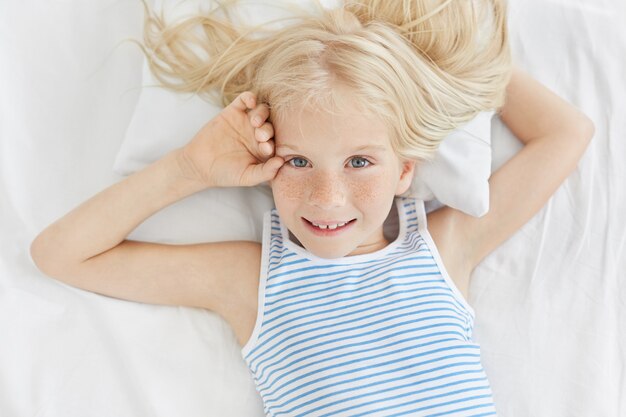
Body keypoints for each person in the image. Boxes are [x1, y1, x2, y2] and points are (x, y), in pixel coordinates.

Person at [30, 0, 594, 415]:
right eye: (298, 162)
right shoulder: (251, 279)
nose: (328, 198)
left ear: (404, 171)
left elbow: (568, 133)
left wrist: (454, 66)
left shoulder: (445, 249)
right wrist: (189, 169)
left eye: (359, 162)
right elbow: (61, 254)